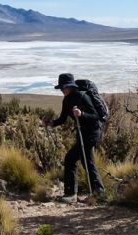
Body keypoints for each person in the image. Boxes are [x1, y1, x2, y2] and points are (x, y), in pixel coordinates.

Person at [43, 73, 105, 203]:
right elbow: (62, 119)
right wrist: (51, 123)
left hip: (92, 132)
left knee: (72, 159)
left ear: (70, 86)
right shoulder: (66, 100)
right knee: (86, 161)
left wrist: (82, 114)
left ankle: (72, 194)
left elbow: (95, 116)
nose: (62, 90)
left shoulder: (83, 96)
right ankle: (98, 192)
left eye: (63, 87)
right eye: (61, 88)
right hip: (82, 133)